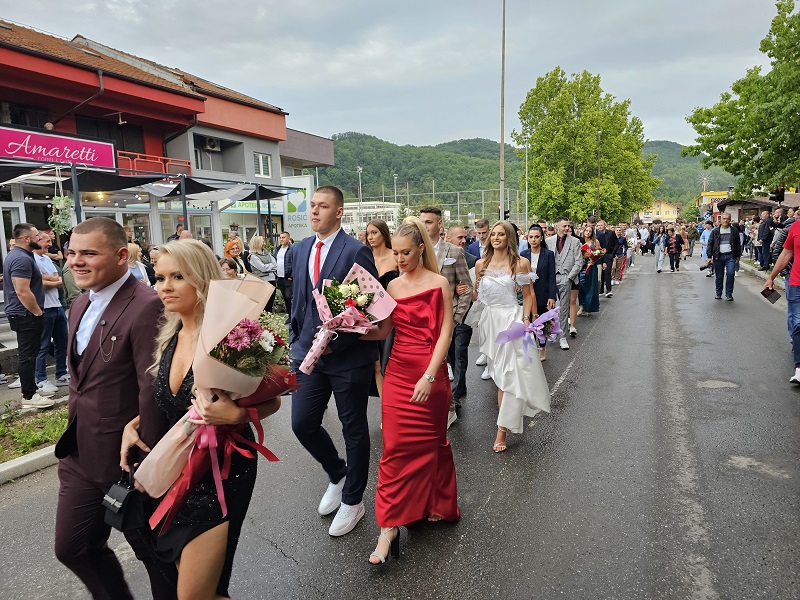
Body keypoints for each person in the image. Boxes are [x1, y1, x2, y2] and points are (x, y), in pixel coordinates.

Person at [122, 239, 281, 598]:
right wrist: (133, 425)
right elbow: (172, 403)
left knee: (193, 594)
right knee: (209, 588)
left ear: (201, 279)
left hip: (221, 471)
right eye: (160, 277)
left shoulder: (232, 336)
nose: (165, 286)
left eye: (178, 276)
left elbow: (271, 401)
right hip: (174, 469)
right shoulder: (169, 337)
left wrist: (237, 413)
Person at [53, 217, 176, 600]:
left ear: (122, 256)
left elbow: (152, 388)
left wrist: (150, 463)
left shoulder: (146, 306)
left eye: (89, 253)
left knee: (155, 558)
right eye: (72, 252)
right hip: (79, 453)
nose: (76, 261)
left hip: (126, 461)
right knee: (72, 547)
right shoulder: (78, 304)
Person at [362, 217, 459, 564]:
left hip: (429, 374)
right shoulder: (392, 287)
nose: (400, 259)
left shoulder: (438, 284)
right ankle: (388, 527)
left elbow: (445, 333)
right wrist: (347, 326)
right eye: (396, 253)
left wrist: (430, 376)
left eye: (406, 252)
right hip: (399, 373)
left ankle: (435, 502)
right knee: (393, 449)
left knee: (431, 444)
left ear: (421, 249)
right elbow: (383, 330)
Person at [289, 185, 380, 537]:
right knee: (302, 423)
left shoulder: (355, 249)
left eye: (322, 206)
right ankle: (337, 473)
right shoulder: (299, 249)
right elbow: (296, 298)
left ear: (338, 212)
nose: (314, 212)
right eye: (312, 206)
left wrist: (336, 342)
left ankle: (353, 500)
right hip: (307, 354)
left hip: (347, 357)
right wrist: (297, 339)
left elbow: (368, 306)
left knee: (353, 427)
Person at [473, 221, 550, 452]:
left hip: (510, 321)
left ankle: (502, 430)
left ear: (509, 238)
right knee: (498, 375)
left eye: (501, 234)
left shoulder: (520, 263)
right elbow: (479, 295)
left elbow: (528, 295)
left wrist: (527, 319)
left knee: (507, 377)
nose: (495, 238)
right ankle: (506, 421)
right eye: (493, 234)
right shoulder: (480, 264)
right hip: (489, 322)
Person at [418, 207, 471, 426]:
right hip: (422, 320)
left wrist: (456, 319)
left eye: (429, 222)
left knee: (450, 361)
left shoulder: (453, 252)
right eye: (422, 222)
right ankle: (434, 405)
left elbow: (466, 288)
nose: (424, 226)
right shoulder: (416, 251)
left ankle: (450, 404)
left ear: (440, 225)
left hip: (448, 319)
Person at [2, 223, 53, 408]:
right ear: (26, 239)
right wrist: (37, 312)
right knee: (28, 355)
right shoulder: (21, 258)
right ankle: (29, 397)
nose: (40, 238)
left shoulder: (20, 255)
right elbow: (22, 291)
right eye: (36, 236)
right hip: (26, 314)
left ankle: (30, 390)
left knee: (31, 353)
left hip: (23, 313)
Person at [366, 219, 398, 398]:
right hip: (371, 317)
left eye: (374, 232)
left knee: (390, 364)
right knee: (377, 364)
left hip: (393, 317)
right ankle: (386, 411)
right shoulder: (365, 256)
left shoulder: (395, 256)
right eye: (368, 233)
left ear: (384, 233)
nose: (370, 237)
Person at [765, 219, 800, 383]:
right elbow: (785, 253)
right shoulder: (795, 227)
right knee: (797, 322)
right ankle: (799, 368)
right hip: (796, 282)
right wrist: (772, 276)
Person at [33, 239, 69, 395]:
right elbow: (38, 282)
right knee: (43, 344)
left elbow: (61, 281)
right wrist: (50, 279)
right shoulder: (31, 259)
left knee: (63, 342)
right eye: (46, 241)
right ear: (37, 241)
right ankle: (40, 379)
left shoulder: (47, 259)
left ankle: (61, 374)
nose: (50, 244)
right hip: (44, 308)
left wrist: (49, 279)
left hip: (57, 306)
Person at [521, 225, 556, 361]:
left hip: (543, 293)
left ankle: (542, 347)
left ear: (541, 238)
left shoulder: (548, 254)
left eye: (536, 237)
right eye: (531, 237)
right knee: (529, 321)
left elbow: (552, 276)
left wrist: (552, 296)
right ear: (527, 238)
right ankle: (531, 348)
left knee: (542, 323)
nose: (533, 240)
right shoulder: (523, 255)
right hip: (527, 294)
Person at [545, 217, 582, 349]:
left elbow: (579, 262)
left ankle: (563, 337)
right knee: (550, 307)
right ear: (557, 227)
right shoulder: (548, 241)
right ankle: (552, 331)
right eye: (565, 226)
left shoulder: (575, 241)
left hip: (566, 277)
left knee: (564, 308)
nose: (567, 228)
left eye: (568, 226)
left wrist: (569, 277)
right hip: (551, 277)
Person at [706, 212, 741, 301]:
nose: (726, 220)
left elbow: (737, 244)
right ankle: (718, 293)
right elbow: (710, 243)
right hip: (718, 256)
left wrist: (738, 256)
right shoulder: (715, 231)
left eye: (727, 219)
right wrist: (709, 256)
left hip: (730, 256)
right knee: (719, 275)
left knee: (730, 274)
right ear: (720, 220)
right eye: (724, 218)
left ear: (730, 219)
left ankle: (729, 294)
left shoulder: (734, 231)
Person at [248, 235, 278, 312]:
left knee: (271, 303)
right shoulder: (253, 256)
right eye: (262, 242)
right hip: (263, 281)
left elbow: (275, 264)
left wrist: (269, 266)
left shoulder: (267, 253)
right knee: (265, 304)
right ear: (257, 243)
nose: (264, 243)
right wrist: (271, 266)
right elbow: (263, 268)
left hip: (272, 280)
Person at [577, 225, 601, 316]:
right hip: (581, 267)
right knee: (580, 287)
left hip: (591, 266)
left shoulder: (595, 242)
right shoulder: (579, 241)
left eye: (590, 231)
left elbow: (599, 253)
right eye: (586, 230)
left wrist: (594, 259)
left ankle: (589, 307)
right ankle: (581, 306)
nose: (587, 232)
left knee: (590, 287)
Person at [595, 220, 617, 297]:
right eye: (598, 226)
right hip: (599, 256)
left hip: (608, 255)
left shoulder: (611, 233)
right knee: (600, 273)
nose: (599, 227)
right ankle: (600, 289)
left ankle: (608, 290)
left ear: (605, 225)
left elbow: (616, 244)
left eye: (601, 225)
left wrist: (612, 254)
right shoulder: (596, 234)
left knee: (607, 272)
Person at [274, 231, 293, 317]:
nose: (281, 239)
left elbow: (295, 263)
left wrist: (292, 276)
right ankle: (289, 315)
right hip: (280, 278)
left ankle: (293, 316)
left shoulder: (292, 249)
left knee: (289, 297)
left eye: (283, 237)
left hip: (288, 278)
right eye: (280, 237)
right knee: (285, 298)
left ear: (288, 238)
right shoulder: (277, 249)